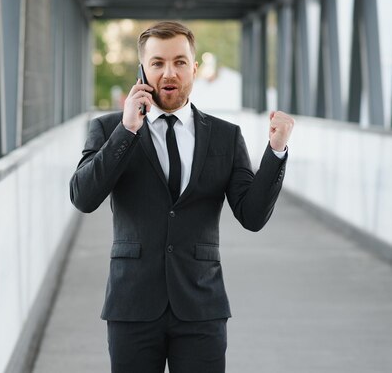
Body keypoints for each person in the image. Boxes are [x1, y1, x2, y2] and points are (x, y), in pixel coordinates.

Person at [69, 21, 294, 373]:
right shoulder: (110, 128)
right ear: (142, 70)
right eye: (157, 63)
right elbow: (83, 197)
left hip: (201, 305)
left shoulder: (224, 136)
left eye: (179, 61)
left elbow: (251, 216)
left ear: (194, 69)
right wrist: (127, 130)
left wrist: (276, 150)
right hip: (132, 305)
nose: (168, 72)